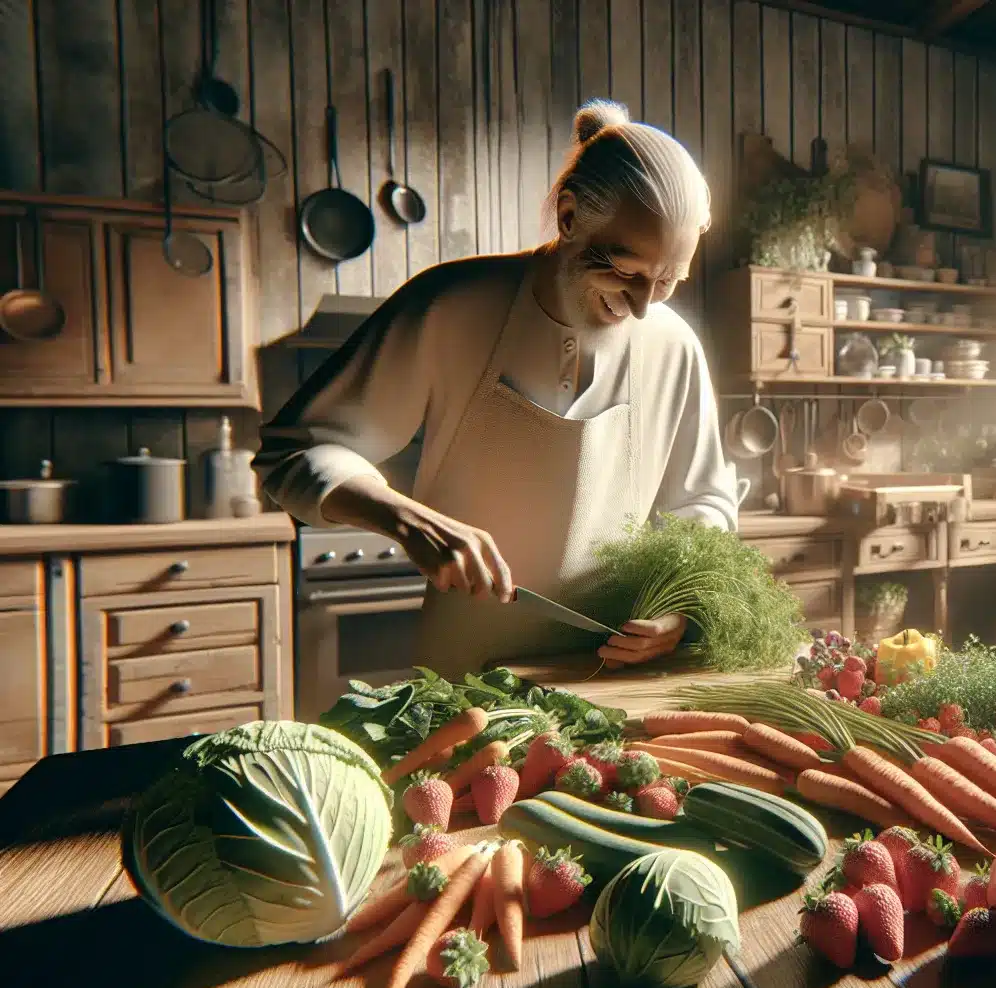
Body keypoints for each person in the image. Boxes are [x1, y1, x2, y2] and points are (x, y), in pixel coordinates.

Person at [257, 99, 738, 678]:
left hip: (611, 682)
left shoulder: (675, 346)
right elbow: (294, 452)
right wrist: (406, 519)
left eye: (667, 281)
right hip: (464, 681)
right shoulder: (451, 305)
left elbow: (702, 502)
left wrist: (680, 609)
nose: (641, 305)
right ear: (568, 217)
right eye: (627, 272)